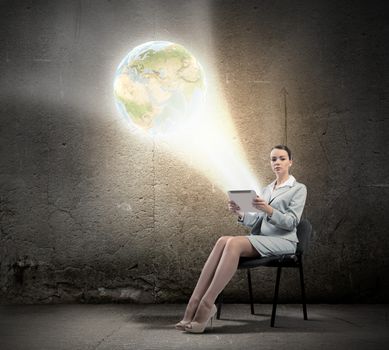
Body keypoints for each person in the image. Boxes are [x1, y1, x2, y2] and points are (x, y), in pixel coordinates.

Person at [175, 145, 307, 333]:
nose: (277, 162)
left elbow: (292, 222)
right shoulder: (268, 189)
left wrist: (268, 209)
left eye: (282, 158)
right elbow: (257, 220)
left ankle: (206, 304)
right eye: (273, 159)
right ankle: (193, 304)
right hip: (263, 238)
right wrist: (241, 213)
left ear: (290, 162)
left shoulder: (299, 189)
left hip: (284, 241)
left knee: (234, 243)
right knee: (223, 240)